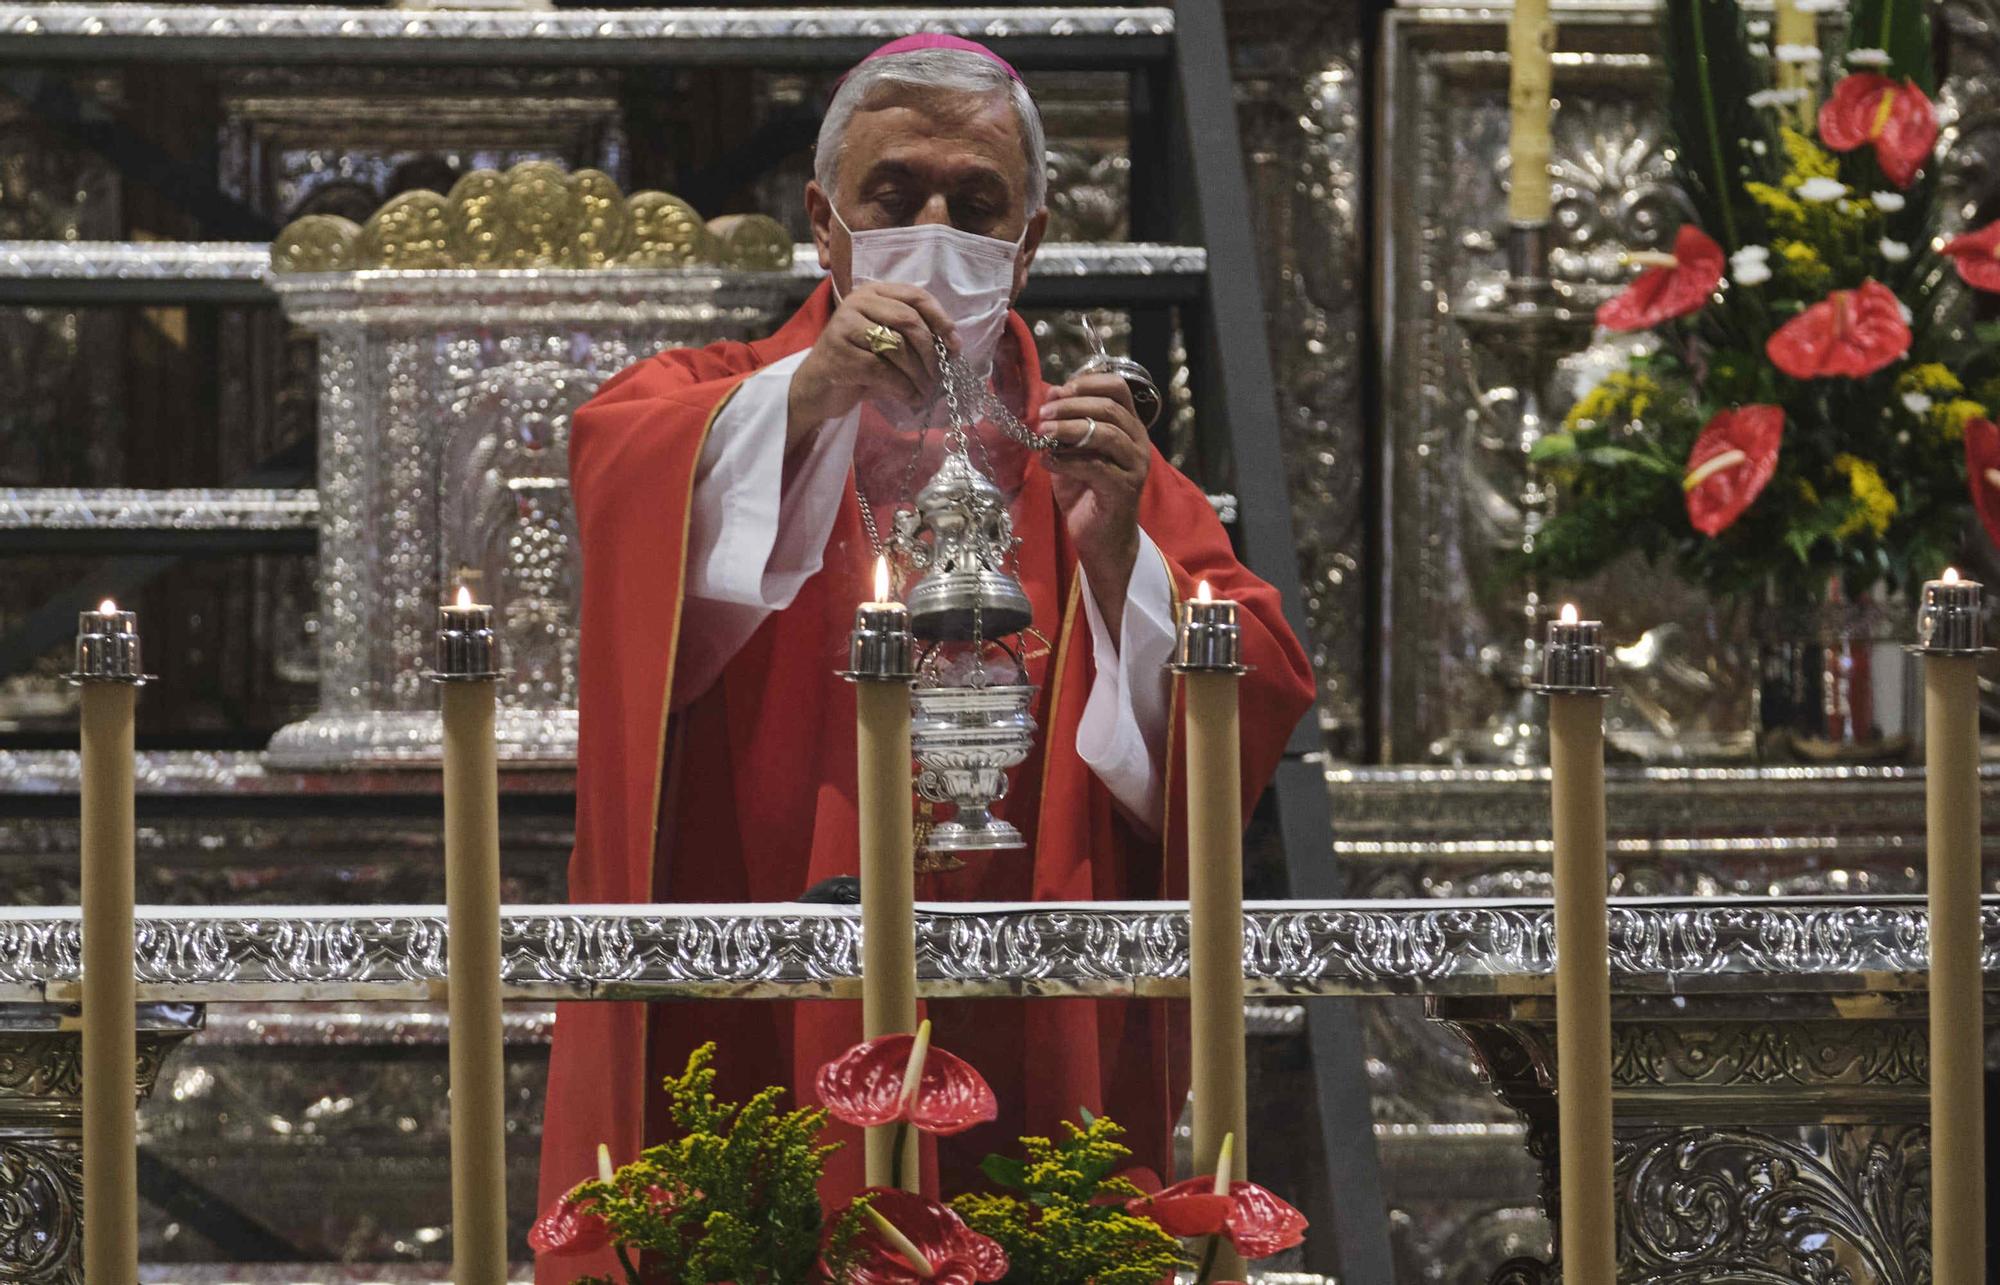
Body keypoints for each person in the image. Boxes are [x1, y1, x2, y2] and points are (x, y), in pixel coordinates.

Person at [537, 34, 1314, 1281]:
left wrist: (1117, 561)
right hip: (769, 944)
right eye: (895, 197)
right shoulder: (717, 401)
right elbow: (621, 470)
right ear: (823, 223)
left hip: (1022, 980)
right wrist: (804, 401)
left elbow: (1256, 683)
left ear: (1033, 239)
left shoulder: (1094, 459)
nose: (936, 227)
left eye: (977, 203)